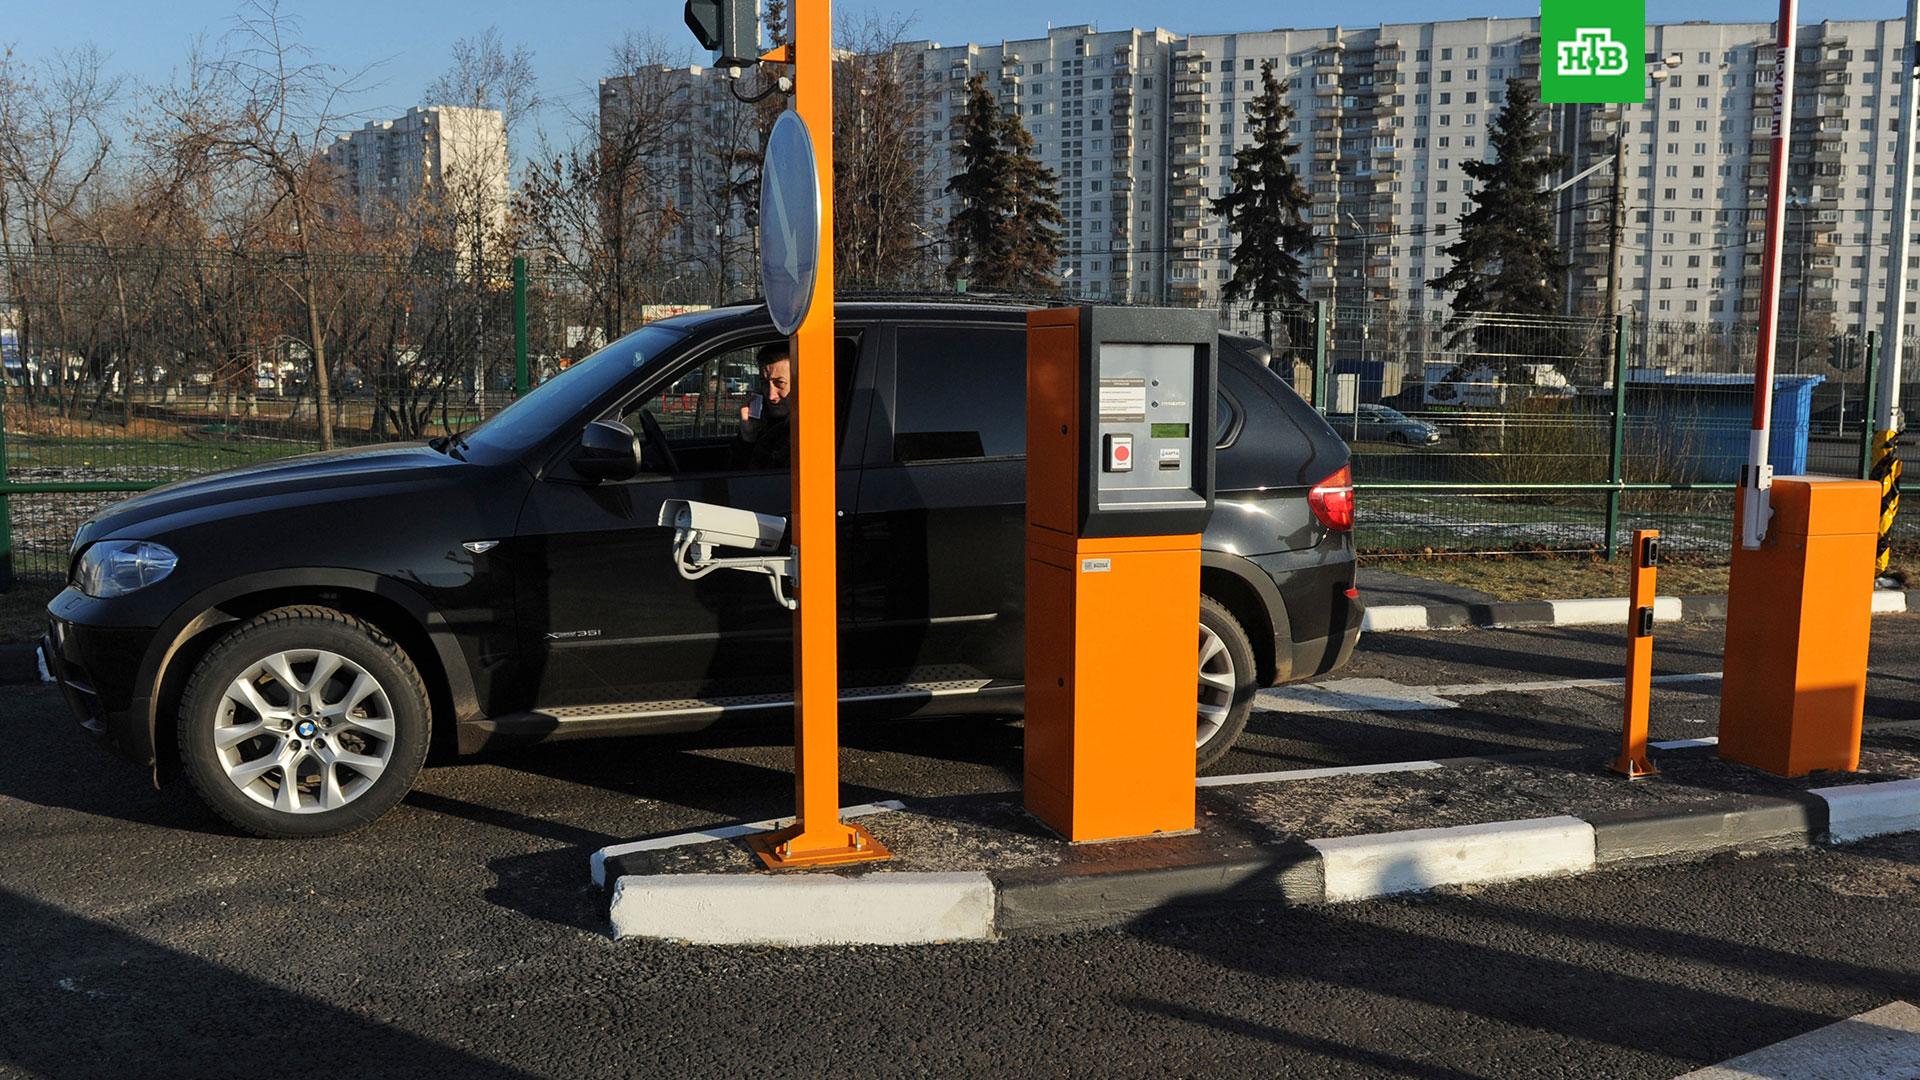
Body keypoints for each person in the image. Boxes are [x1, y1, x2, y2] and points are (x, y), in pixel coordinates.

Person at [732, 343, 792, 469]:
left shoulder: (806, 432)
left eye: (780, 383)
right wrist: (748, 437)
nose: (771, 396)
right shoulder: (763, 423)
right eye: (764, 383)